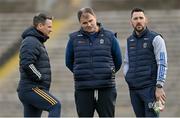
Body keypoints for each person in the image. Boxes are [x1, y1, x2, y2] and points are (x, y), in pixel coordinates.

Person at [65, 7, 122, 117]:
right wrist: (81, 71)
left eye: (91, 21)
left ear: (95, 18)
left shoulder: (109, 36)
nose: (89, 24)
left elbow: (118, 60)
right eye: (84, 23)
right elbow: (68, 61)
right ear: (80, 23)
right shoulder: (73, 38)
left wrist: (109, 71)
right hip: (83, 85)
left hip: (106, 85)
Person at [123, 8, 168, 117]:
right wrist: (128, 77)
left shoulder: (156, 38)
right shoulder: (129, 40)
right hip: (134, 90)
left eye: (141, 18)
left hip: (151, 90)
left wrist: (159, 86)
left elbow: (162, 62)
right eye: (135, 18)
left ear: (146, 20)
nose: (138, 21)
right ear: (131, 22)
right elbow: (126, 62)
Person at [17, 13, 61, 117]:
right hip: (32, 88)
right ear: (40, 26)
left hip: (29, 89)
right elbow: (27, 64)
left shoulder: (35, 41)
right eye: (49, 26)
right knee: (55, 105)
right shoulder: (31, 41)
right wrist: (39, 76)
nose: (51, 30)